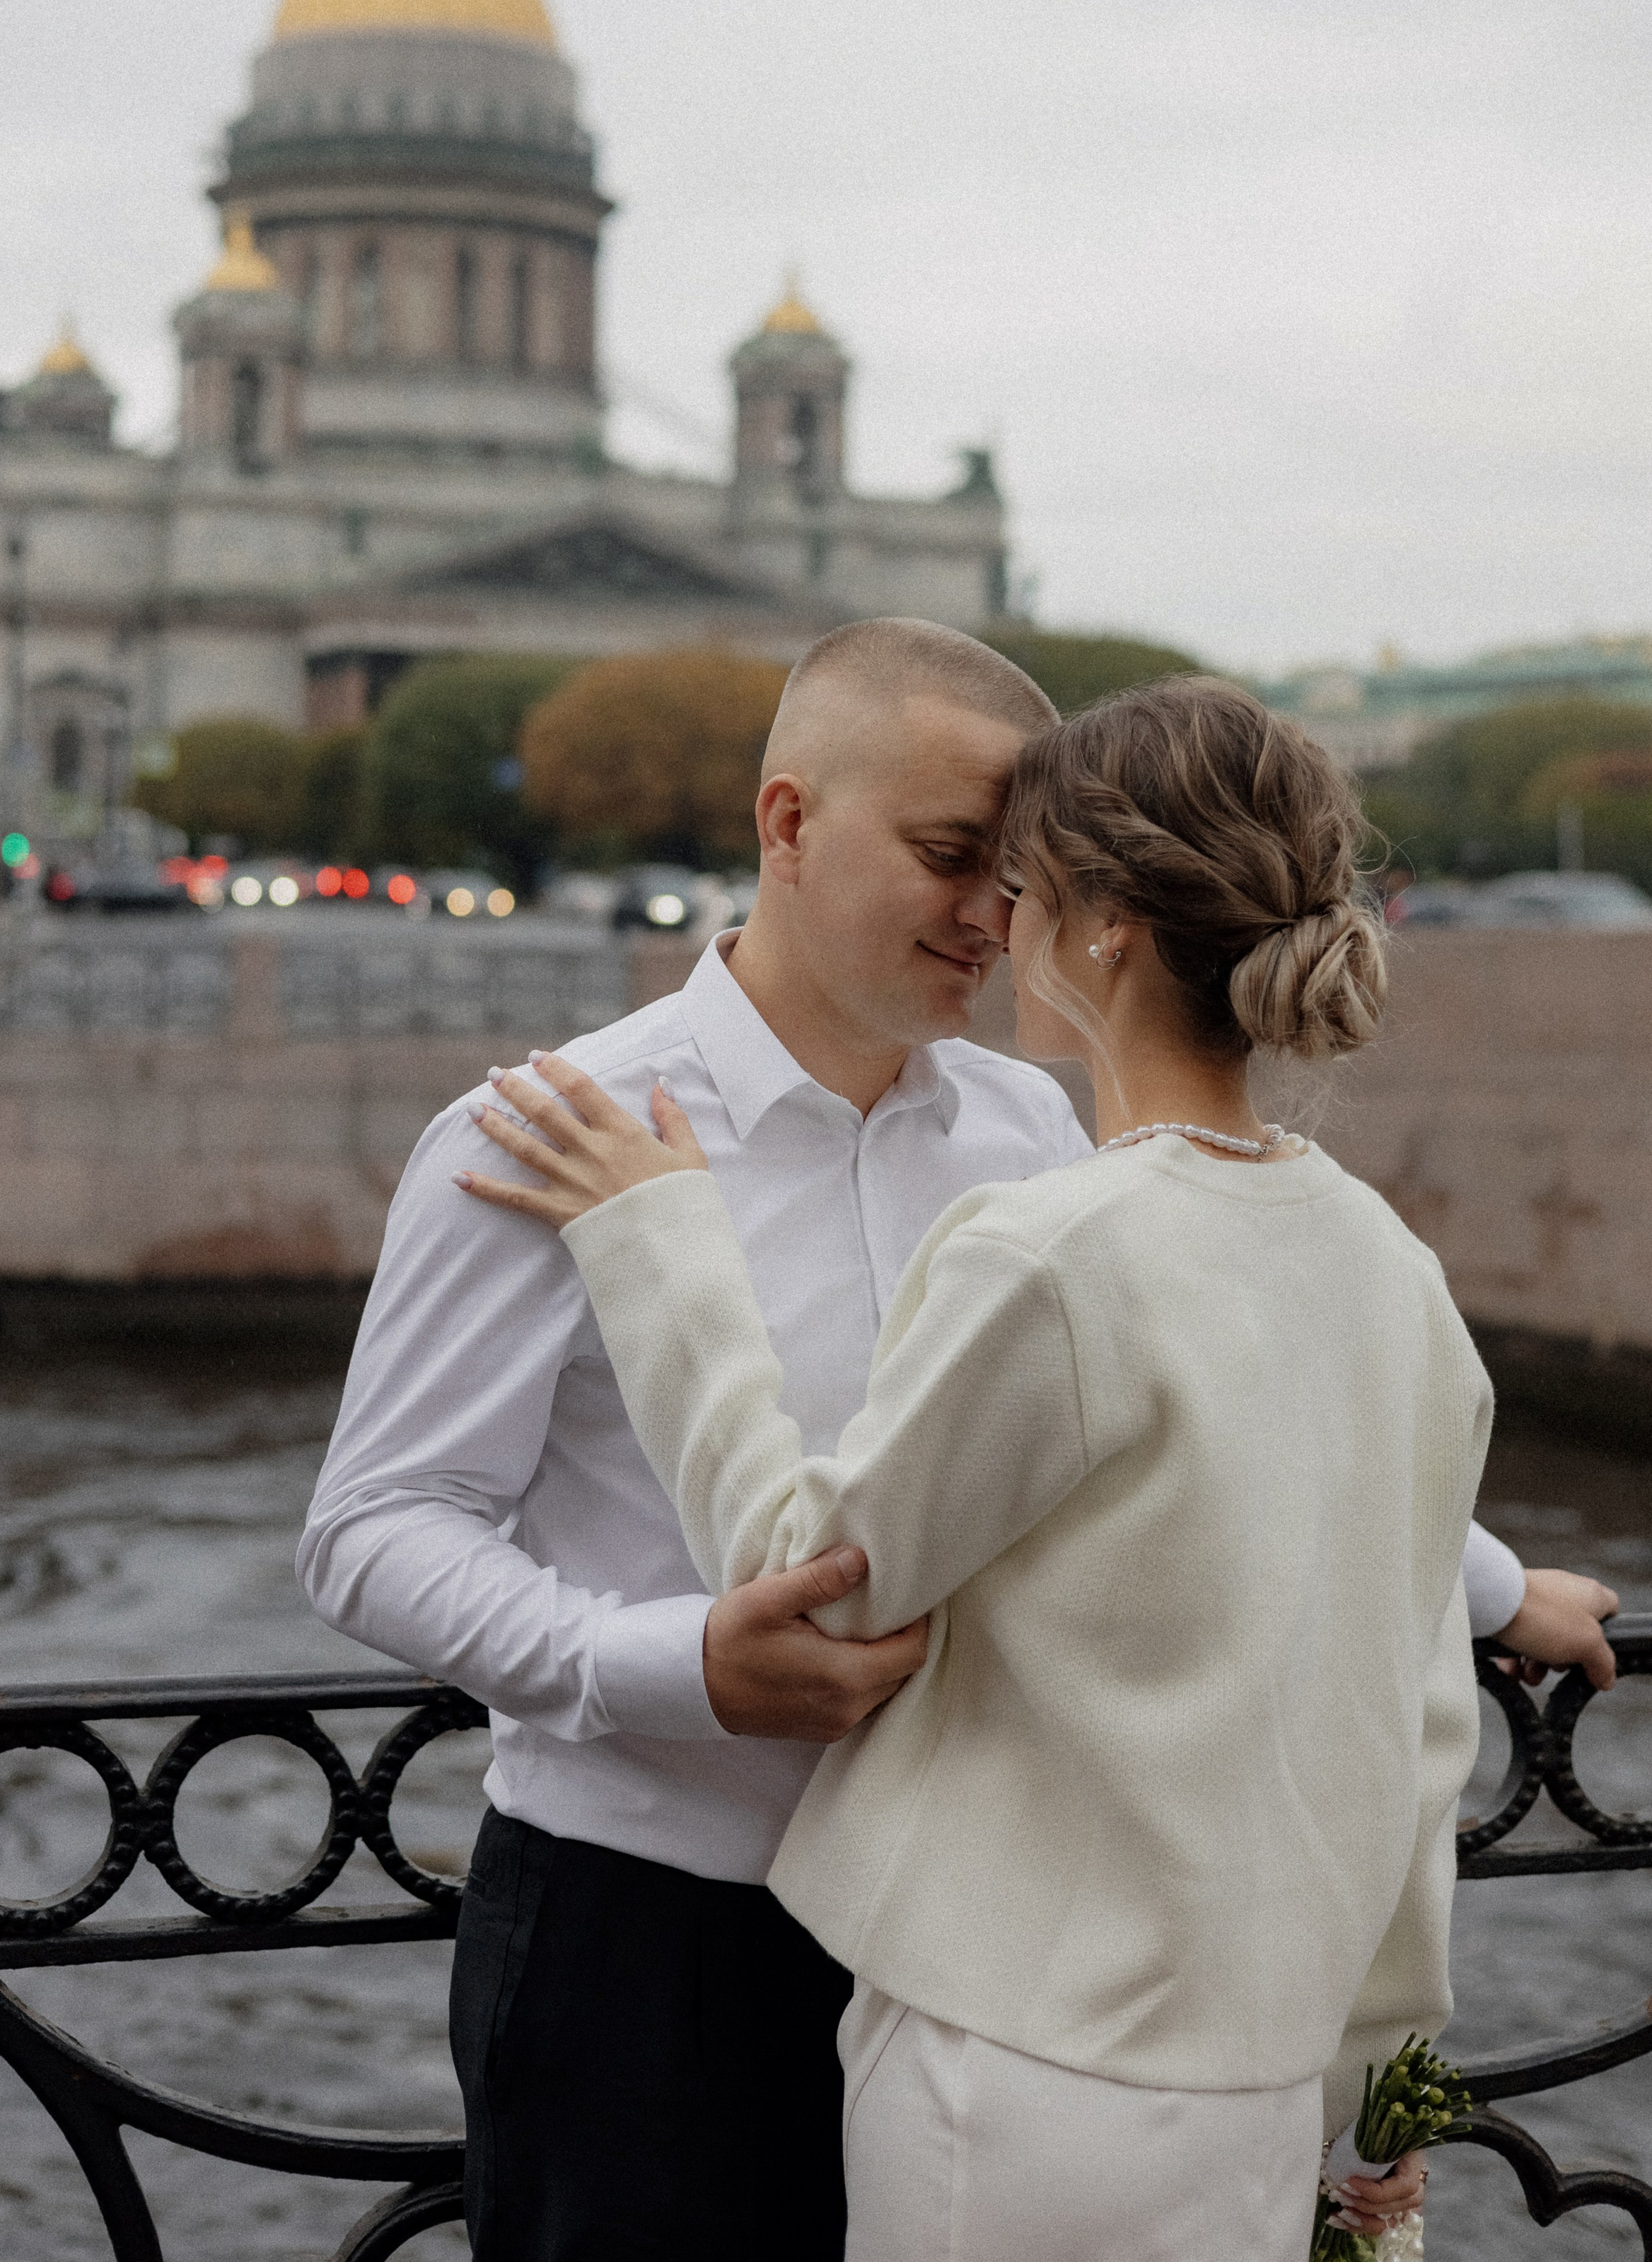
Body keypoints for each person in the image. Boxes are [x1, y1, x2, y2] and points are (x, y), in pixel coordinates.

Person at [301, 623, 1616, 2261]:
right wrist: (670, 1667)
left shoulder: (1029, 1127)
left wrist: (1484, 1585)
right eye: (947, 856)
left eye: (1016, 872)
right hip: (648, 1942)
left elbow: (1195, 1417)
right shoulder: (555, 1130)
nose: (994, 916)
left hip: (991, 1963)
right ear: (788, 822)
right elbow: (373, 1527)